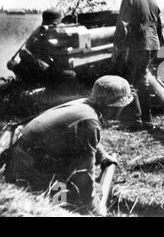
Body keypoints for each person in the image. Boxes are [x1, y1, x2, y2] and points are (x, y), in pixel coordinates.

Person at [4, 75, 133, 214]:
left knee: (75, 190)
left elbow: (84, 140)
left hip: (25, 159)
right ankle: (58, 208)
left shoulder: (84, 105)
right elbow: (84, 175)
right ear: (112, 107)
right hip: (27, 171)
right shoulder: (89, 121)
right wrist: (95, 210)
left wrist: (102, 156)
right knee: (68, 203)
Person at [112, 0, 164, 130]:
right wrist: (162, 48)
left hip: (138, 43)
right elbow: (159, 26)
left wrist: (118, 48)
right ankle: (147, 119)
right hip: (152, 43)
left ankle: (135, 120)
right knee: (142, 79)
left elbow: (123, 25)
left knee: (130, 81)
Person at [8, 8, 75, 81]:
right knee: (71, 74)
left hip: (40, 67)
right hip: (40, 71)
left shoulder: (41, 31)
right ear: (56, 22)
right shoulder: (43, 33)